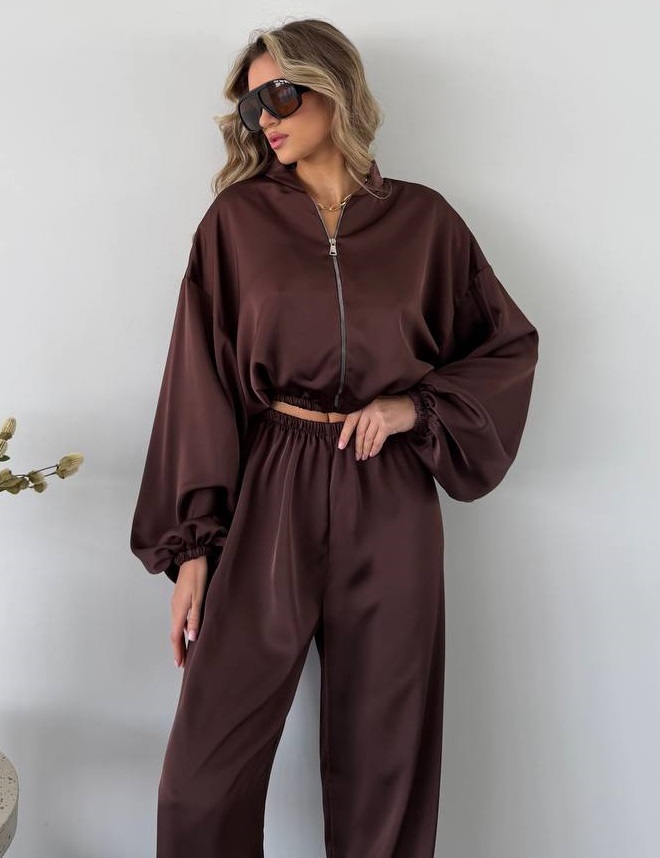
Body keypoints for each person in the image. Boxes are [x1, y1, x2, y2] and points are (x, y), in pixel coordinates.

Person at [129, 17, 539, 858]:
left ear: (334, 88)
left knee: (386, 764)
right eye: (251, 107)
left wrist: (413, 409)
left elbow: (507, 347)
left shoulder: (424, 222)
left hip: (387, 491)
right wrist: (192, 550)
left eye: (279, 95)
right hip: (272, 482)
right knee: (199, 782)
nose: (264, 120)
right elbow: (198, 384)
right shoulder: (236, 223)